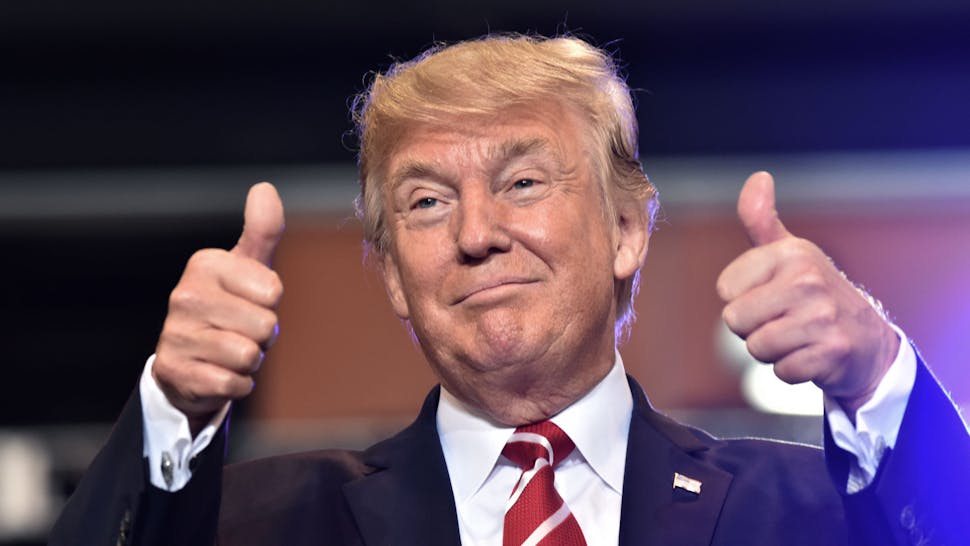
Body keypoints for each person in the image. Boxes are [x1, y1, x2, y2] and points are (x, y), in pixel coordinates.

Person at [50, 34, 968, 546]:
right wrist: (170, 407)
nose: (477, 233)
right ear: (396, 281)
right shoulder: (256, 525)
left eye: (524, 182)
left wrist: (878, 374)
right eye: (426, 200)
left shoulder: (811, 514)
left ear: (625, 230)